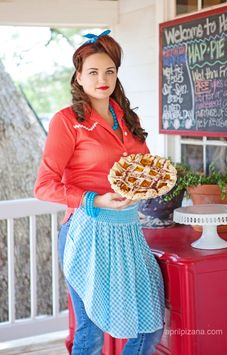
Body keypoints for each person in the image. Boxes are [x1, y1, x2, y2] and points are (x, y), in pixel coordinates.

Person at [34, 29, 165, 355]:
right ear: (78, 77)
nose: (102, 78)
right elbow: (44, 186)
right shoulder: (67, 122)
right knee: (91, 332)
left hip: (129, 231)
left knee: (150, 326)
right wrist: (94, 199)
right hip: (87, 231)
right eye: (92, 72)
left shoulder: (128, 118)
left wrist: (142, 190)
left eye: (109, 71)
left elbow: (144, 169)